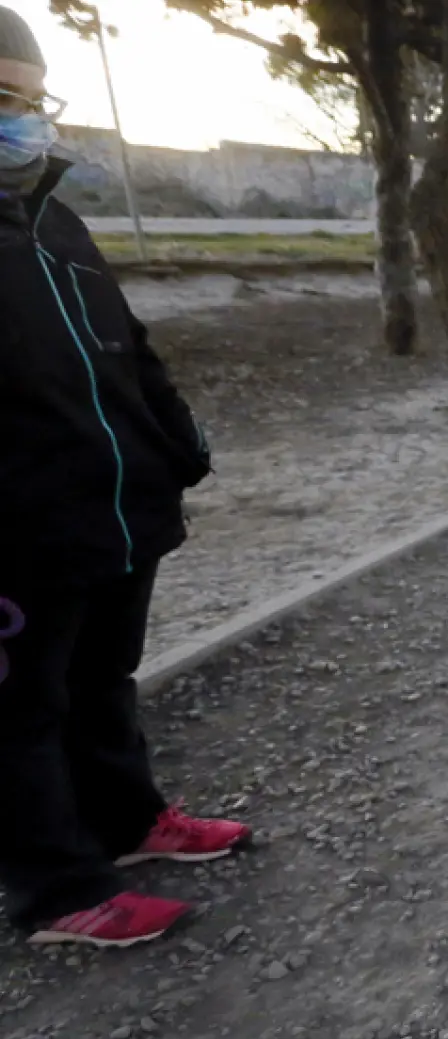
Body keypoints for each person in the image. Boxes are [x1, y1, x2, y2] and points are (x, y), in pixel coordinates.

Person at [0, 7, 250, 948]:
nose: (23, 121)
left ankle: (128, 823)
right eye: (1, 101)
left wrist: (173, 438)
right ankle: (59, 892)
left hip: (113, 509)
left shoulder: (52, 216)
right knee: (21, 712)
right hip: (20, 530)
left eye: (29, 101)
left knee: (105, 677)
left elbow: (124, 344)